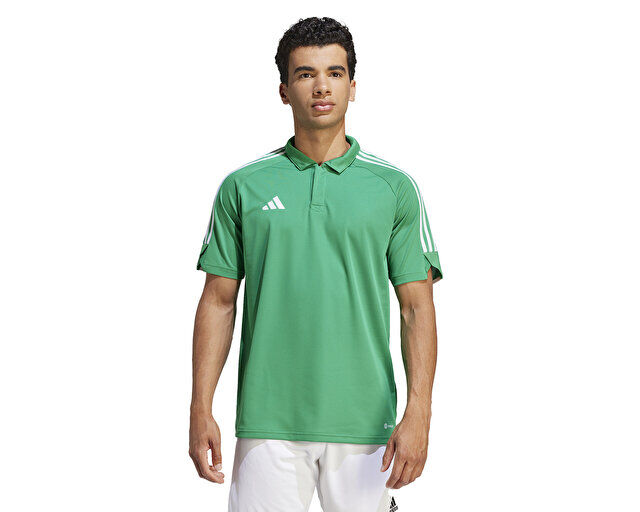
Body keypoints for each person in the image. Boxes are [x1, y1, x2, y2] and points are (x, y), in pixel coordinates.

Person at [189, 16, 443, 512]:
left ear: (353, 86)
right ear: (284, 91)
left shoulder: (395, 189)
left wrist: (420, 413)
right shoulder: (243, 187)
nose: (321, 86)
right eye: (305, 74)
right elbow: (218, 302)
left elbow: (417, 307)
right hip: (268, 422)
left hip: (367, 423)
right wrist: (201, 406)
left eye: (334, 73)